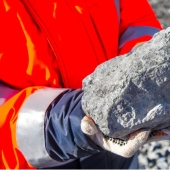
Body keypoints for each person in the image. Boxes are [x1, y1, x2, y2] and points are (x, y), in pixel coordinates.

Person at [0, 0, 167, 169]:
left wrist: (148, 72)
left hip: (121, 156)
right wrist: (63, 121)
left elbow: (136, 20)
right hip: (47, 159)